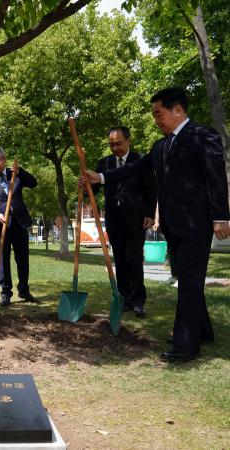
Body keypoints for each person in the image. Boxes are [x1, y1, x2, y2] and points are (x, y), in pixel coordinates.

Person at [83, 87, 230, 362]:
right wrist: (101, 178)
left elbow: (216, 177)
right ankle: (203, 331)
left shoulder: (202, 136)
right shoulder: (161, 145)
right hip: (173, 227)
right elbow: (133, 169)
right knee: (188, 280)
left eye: (158, 113)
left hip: (196, 225)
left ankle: (185, 345)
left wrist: (221, 216)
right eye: (153, 115)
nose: (156, 120)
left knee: (188, 280)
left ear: (177, 110)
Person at [92, 126, 157, 317]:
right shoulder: (104, 163)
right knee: (120, 260)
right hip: (114, 220)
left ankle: (138, 301)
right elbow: (93, 189)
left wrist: (149, 214)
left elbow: (151, 189)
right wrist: (86, 186)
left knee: (134, 259)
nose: (115, 148)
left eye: (118, 144)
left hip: (136, 219)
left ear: (128, 141)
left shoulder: (141, 161)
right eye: (111, 145)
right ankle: (124, 298)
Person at [0, 147, 38, 307]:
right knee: (2, 260)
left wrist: (21, 171)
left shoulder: (16, 174)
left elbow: (33, 183)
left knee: (22, 259)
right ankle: (5, 293)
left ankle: (24, 290)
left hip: (19, 222)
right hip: (1, 226)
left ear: (4, 160)